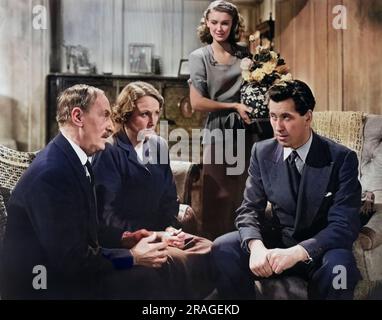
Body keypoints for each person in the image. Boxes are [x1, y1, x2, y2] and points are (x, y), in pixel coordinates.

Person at [1, 84, 177, 299]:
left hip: (63, 272)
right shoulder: (52, 173)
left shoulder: (72, 159)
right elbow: (70, 260)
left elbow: (86, 230)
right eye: (104, 116)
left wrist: (125, 238)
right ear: (78, 117)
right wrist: (132, 257)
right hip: (42, 285)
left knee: (154, 273)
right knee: (146, 279)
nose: (112, 127)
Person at [212, 80, 362, 299]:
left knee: (341, 270)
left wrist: (298, 252)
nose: (278, 127)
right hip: (277, 244)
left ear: (308, 117)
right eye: (273, 116)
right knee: (223, 247)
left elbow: (344, 225)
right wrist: (256, 247)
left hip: (320, 251)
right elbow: (249, 210)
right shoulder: (261, 152)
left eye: (286, 117)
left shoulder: (341, 158)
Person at [92, 81, 214, 299]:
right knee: (179, 261)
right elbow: (106, 217)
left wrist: (169, 228)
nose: (152, 121)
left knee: (210, 249)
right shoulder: (109, 150)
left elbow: (169, 199)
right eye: (144, 114)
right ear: (126, 114)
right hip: (128, 238)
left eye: (156, 113)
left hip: (162, 232)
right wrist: (154, 236)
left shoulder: (158, 146)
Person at [189, 0, 256, 240]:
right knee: (216, 197)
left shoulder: (245, 55)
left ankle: (241, 252)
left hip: (248, 130)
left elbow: (256, 89)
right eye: (214, 22)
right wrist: (233, 105)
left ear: (233, 24)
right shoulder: (199, 57)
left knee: (243, 196)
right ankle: (211, 255)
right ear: (207, 23)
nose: (219, 28)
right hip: (217, 131)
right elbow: (197, 103)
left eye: (225, 23)